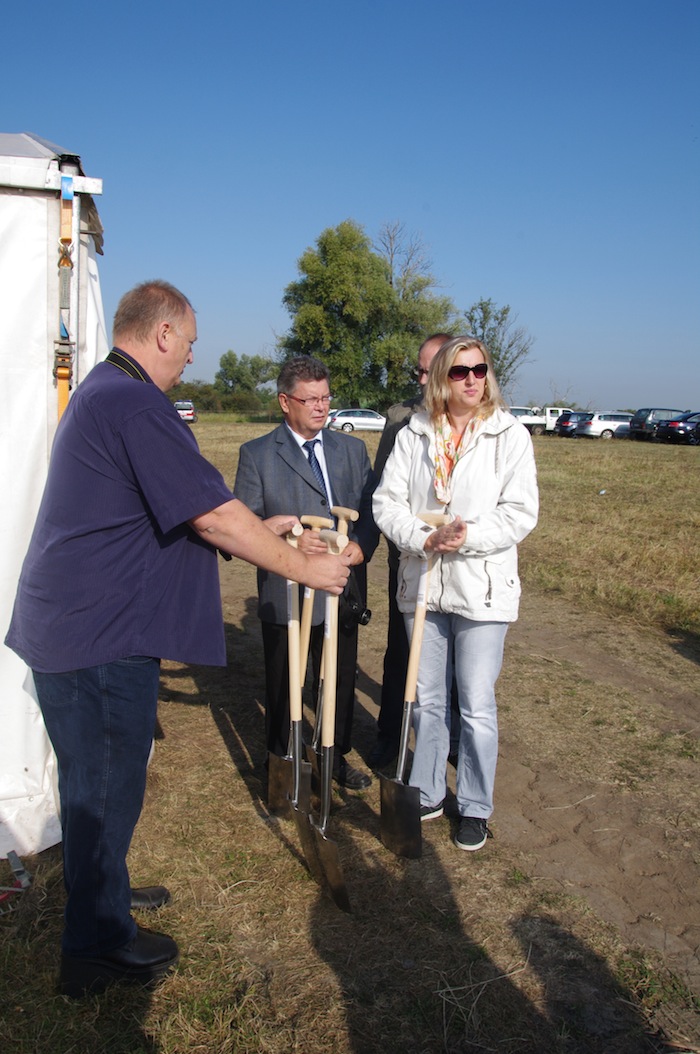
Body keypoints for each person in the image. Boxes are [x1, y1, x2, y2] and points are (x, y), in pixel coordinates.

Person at [4, 281, 351, 997]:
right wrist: (302, 567)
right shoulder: (133, 403)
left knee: (98, 787)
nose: (192, 360)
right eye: (190, 345)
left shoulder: (106, 391)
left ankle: (104, 898)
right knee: (103, 792)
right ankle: (94, 949)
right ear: (162, 334)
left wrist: (273, 528)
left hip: (81, 628)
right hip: (95, 638)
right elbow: (214, 515)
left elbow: (182, 506)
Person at [372, 336, 538, 850]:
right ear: (442, 377)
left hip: (482, 588)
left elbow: (519, 512)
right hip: (422, 582)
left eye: (479, 370)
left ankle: (474, 803)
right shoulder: (415, 432)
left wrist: (464, 538)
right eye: (460, 371)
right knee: (425, 699)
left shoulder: (509, 435)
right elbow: (387, 501)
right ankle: (426, 789)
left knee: (477, 703)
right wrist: (425, 538)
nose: (471, 380)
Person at [234, 357, 379, 790]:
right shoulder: (257, 455)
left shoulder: (351, 450)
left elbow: (371, 512)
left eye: (325, 397)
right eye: (310, 398)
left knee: (339, 678)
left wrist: (361, 546)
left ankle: (332, 761)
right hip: (287, 589)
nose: (321, 407)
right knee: (285, 682)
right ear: (285, 401)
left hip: (342, 585)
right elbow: (243, 528)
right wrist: (288, 543)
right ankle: (282, 760)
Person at [369, 333, 453, 768]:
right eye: (418, 370)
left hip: (460, 562)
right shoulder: (402, 419)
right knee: (402, 650)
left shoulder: (487, 420)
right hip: (409, 555)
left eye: (428, 369)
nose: (420, 378)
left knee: (454, 655)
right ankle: (392, 736)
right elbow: (380, 489)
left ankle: (448, 739)